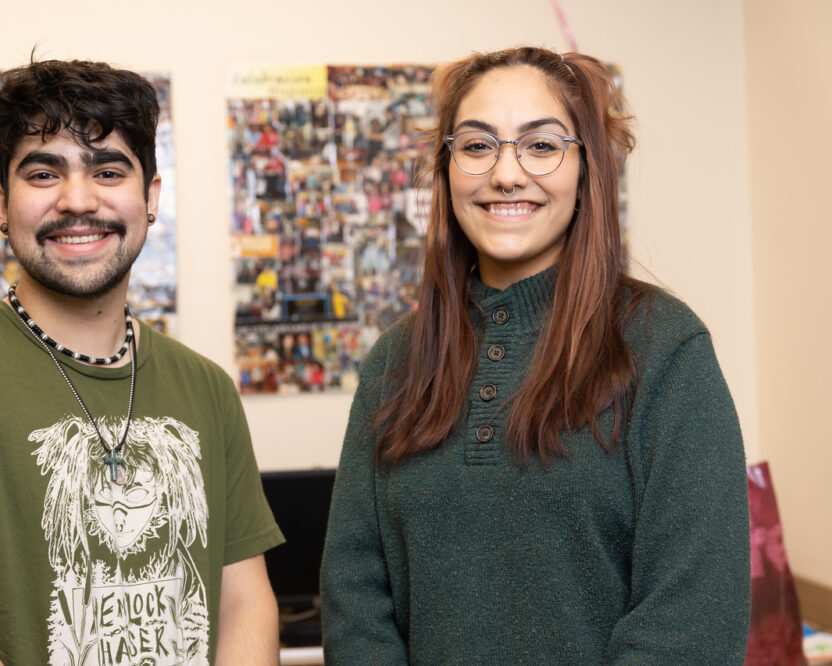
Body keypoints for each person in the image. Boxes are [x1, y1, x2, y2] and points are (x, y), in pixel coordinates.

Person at [0, 57, 285, 665]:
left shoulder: (206, 387)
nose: (78, 201)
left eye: (107, 170)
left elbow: (246, 609)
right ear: (2, 204)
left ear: (150, 197)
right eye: (44, 173)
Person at [320, 47, 750, 664]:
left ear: (587, 169)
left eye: (542, 145)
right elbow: (354, 597)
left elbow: (692, 621)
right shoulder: (396, 360)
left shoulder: (665, 348)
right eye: (475, 145)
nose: (506, 173)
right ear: (446, 170)